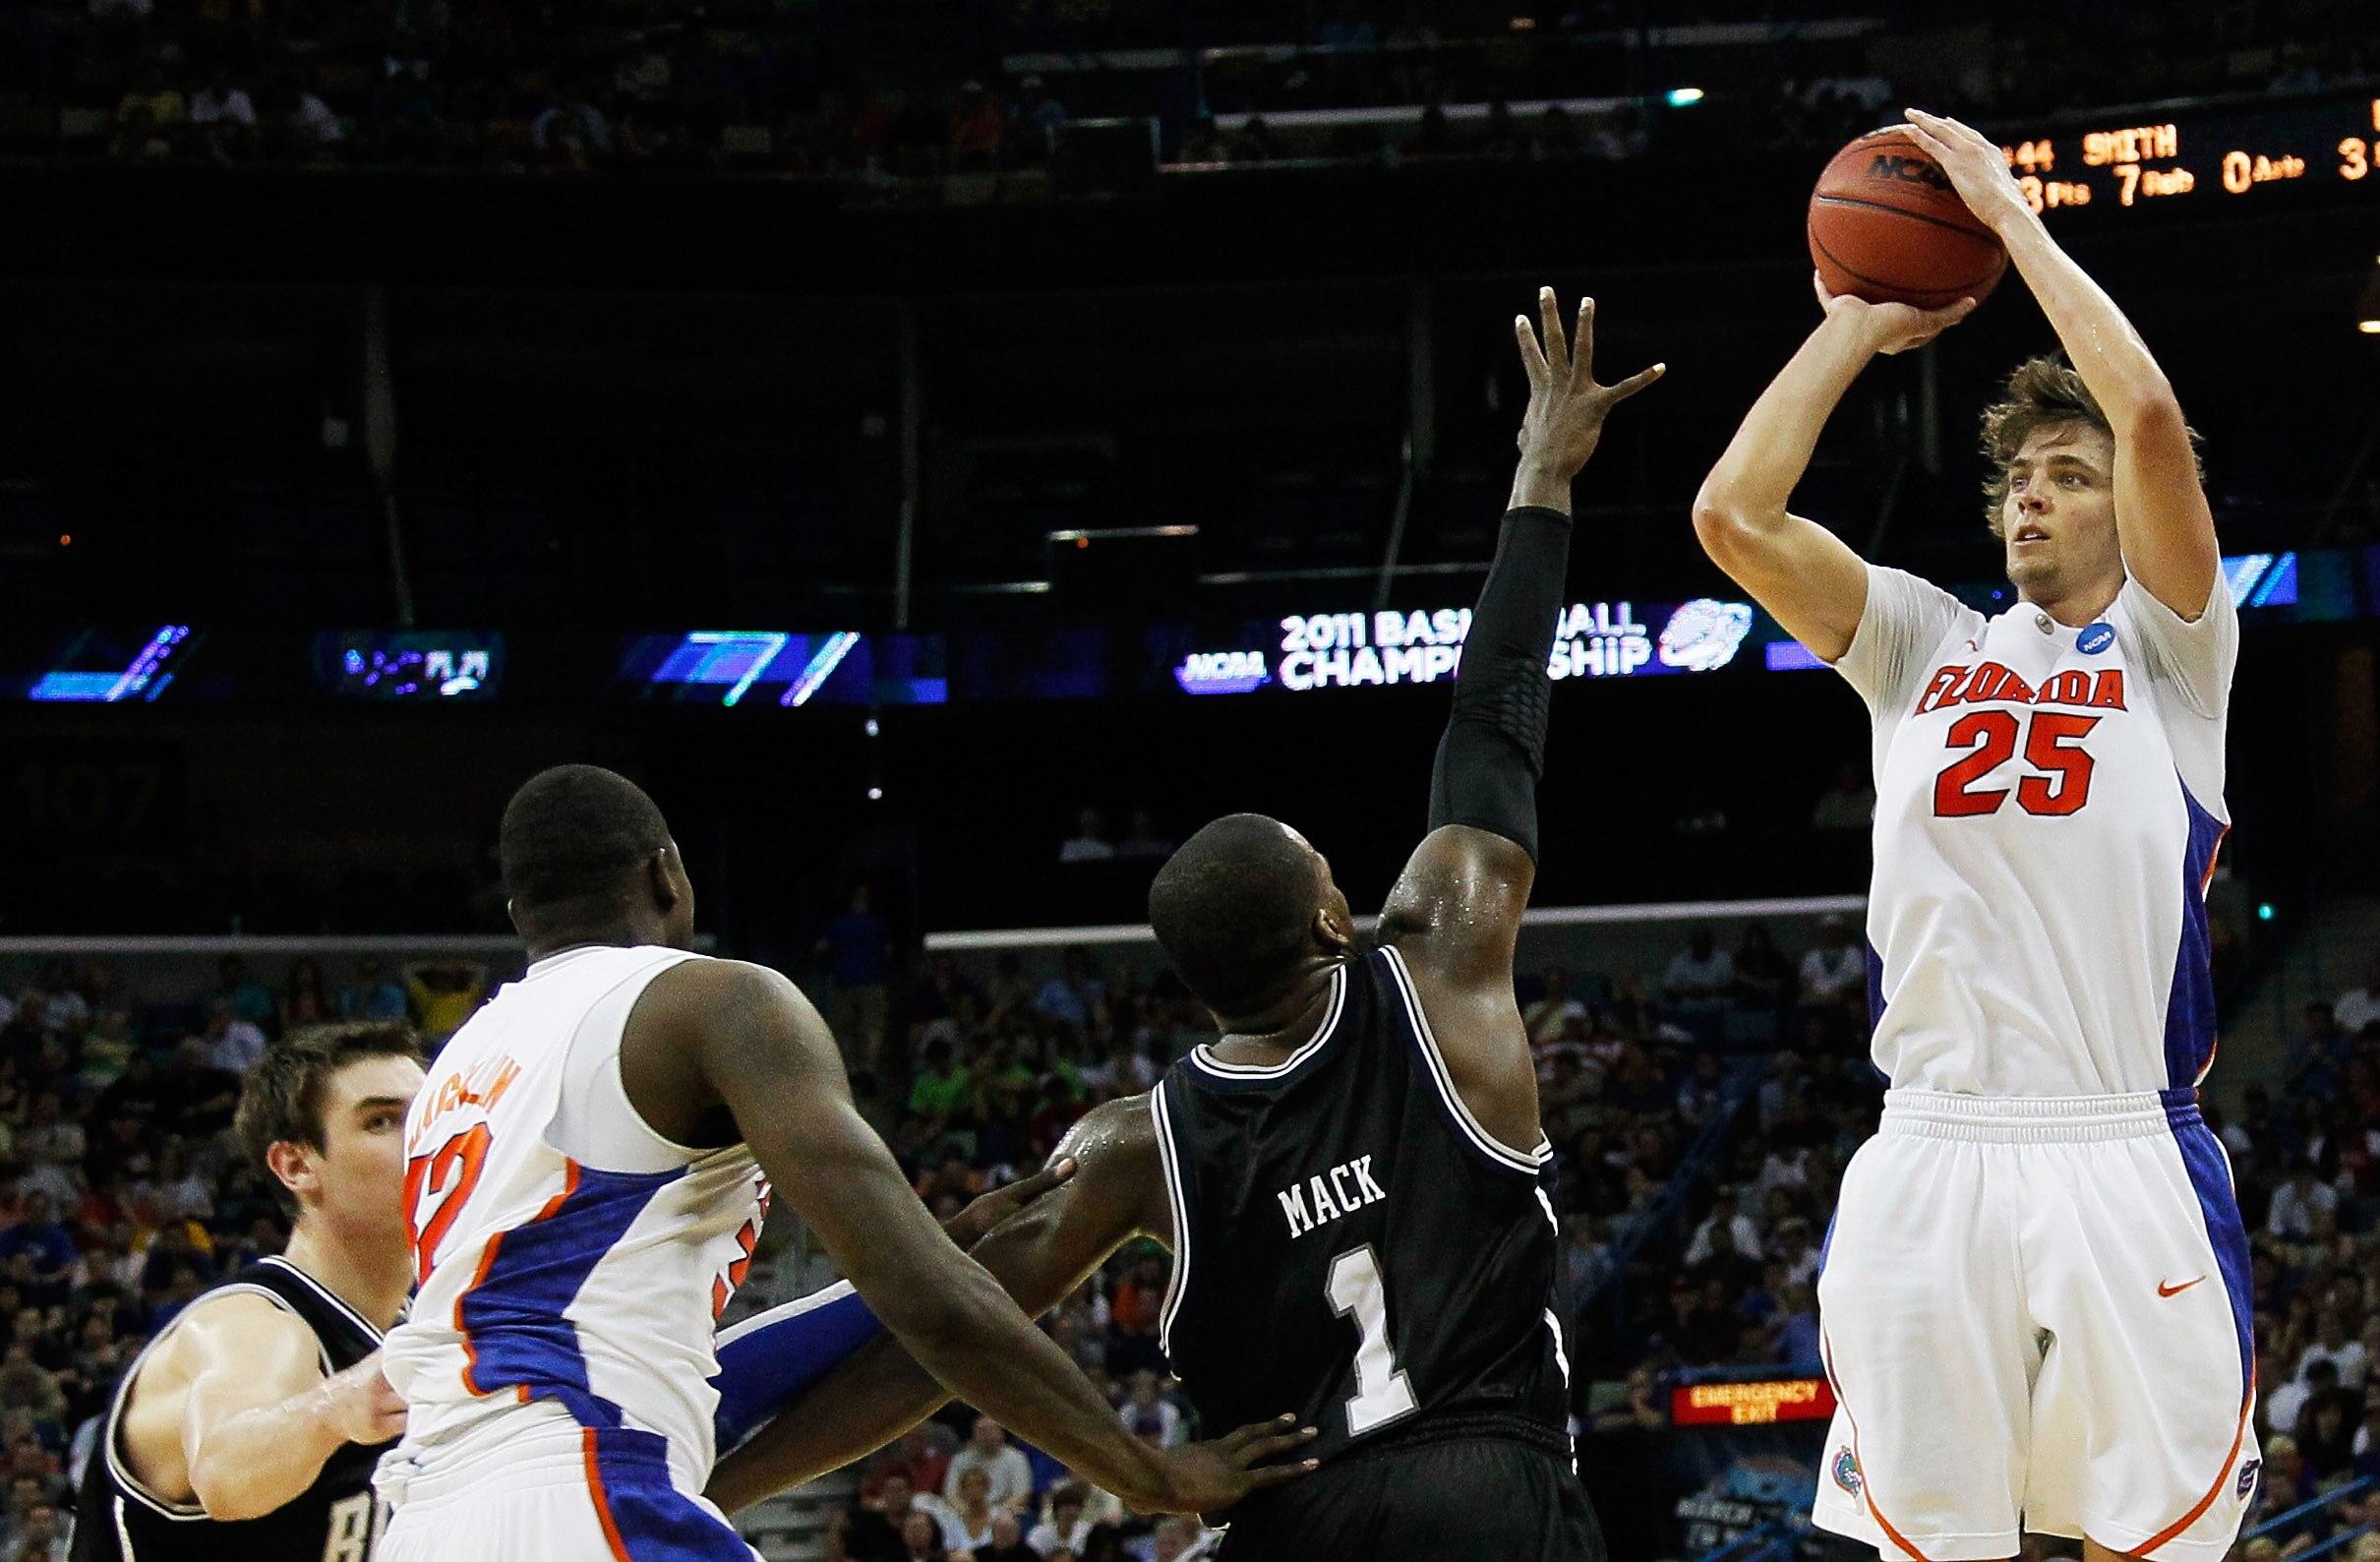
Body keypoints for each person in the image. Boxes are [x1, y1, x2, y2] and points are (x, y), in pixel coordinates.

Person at [706, 289, 1657, 1561]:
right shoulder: (1440, 968)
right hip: (1495, 1493)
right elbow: (1493, 717)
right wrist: (1542, 476)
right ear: (1333, 918)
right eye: (1329, 866)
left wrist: (731, 1485)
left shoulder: (1131, 1145)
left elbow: (943, 1342)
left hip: (1292, 1517)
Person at [1693, 107, 2251, 1562]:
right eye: (2014, 479)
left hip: (2121, 1147)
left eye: (2063, 479)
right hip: (1931, 1147)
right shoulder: (1922, 647)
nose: (2031, 497)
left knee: (2152, 1545)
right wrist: (1855, 325)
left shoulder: (2178, 655)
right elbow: (1736, 516)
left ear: (2125, 511)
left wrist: (2010, 223)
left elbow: (2145, 418)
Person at [375, 765, 1305, 1561]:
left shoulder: (459, 1064)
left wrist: (885, 1281)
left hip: (423, 1514)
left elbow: (633, 1347)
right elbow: (931, 1301)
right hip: (578, 1490)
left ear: (518, 913)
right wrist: (1149, 1474)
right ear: (669, 877)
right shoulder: (712, 1002)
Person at [70, 1023, 423, 1561]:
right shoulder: (250, 1324)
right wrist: (335, 1407)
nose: (424, 1136)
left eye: (428, 1113)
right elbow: (224, 1470)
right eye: (382, 1121)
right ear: (297, 1165)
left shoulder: (421, 1320)